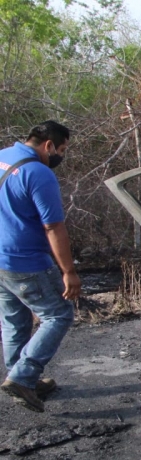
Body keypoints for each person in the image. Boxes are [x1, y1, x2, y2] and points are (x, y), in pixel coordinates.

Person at [0, 120, 81, 412]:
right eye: (61, 150)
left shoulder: (3, 156)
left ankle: (22, 378)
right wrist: (69, 272)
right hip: (26, 261)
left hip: (1, 259)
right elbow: (53, 227)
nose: (60, 156)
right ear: (48, 145)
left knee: (14, 321)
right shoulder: (39, 173)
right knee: (59, 315)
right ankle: (23, 377)